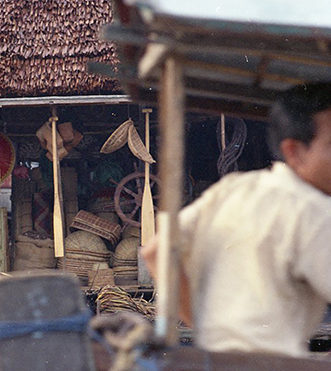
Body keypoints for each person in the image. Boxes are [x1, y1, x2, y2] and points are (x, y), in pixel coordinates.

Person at [141, 82, 331, 357]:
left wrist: (203, 325)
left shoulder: (233, 189)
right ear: (295, 151)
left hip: (215, 361)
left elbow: (155, 251)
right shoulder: (314, 210)